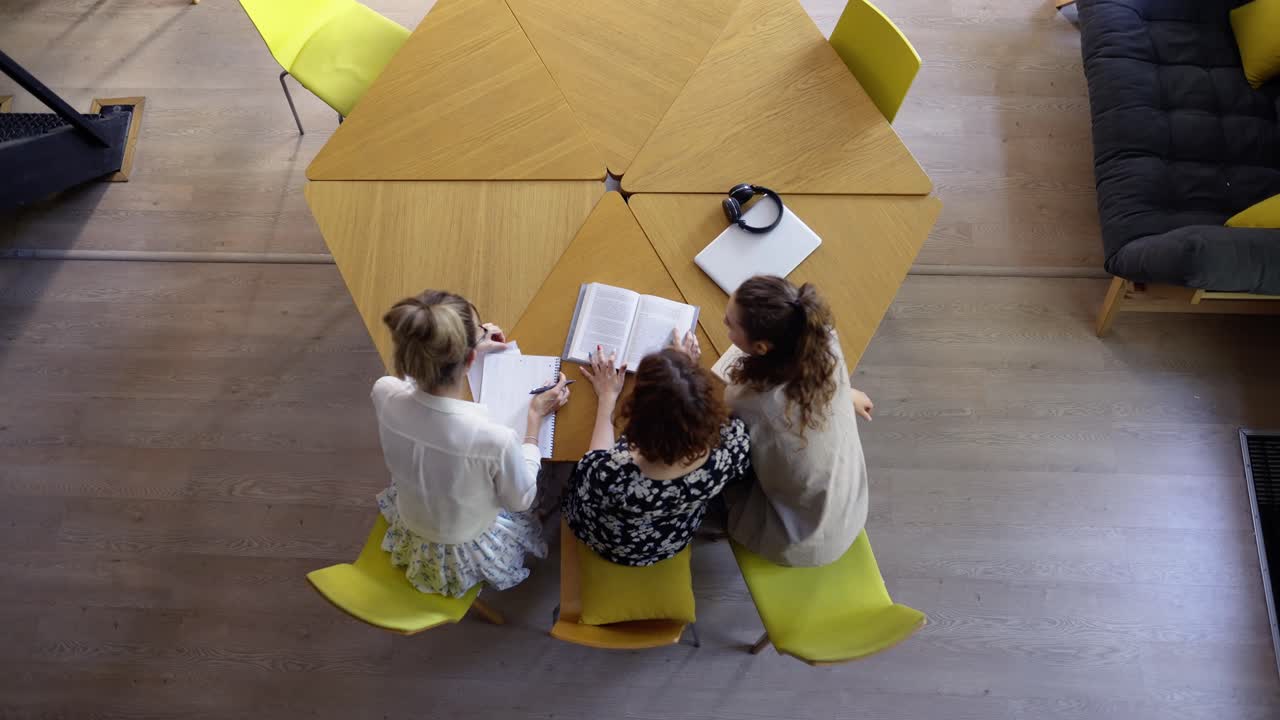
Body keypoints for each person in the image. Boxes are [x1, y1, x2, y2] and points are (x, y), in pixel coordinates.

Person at [372, 289, 570, 597]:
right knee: (548, 480)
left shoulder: (383, 393)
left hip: (413, 518)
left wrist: (471, 342)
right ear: (471, 359)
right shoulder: (495, 439)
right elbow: (521, 500)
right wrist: (534, 420)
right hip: (463, 548)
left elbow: (407, 384)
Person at [718, 275, 874, 567]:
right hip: (850, 507)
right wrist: (846, 393)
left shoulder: (752, 400)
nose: (724, 324)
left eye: (730, 324)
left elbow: (726, 415)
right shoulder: (824, 337)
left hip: (800, 540)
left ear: (762, 347)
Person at [562, 346, 751, 566]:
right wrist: (682, 376)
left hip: (613, 542)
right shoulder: (733, 445)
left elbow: (595, 458)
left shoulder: (611, 474)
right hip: (669, 538)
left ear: (636, 414)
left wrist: (607, 398)